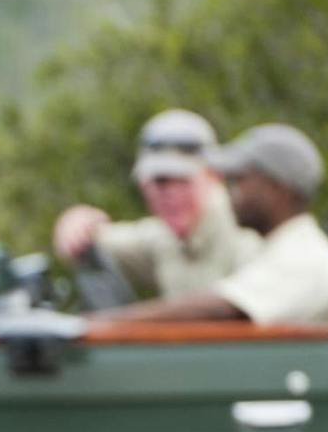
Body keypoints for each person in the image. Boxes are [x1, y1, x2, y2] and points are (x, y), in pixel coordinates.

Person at [90, 123, 328, 325]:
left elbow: (222, 308)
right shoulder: (274, 247)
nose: (229, 193)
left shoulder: (305, 256)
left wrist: (98, 326)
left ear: (278, 189)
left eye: (239, 180)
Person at [51, 109, 261, 301]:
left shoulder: (247, 233)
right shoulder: (163, 238)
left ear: (214, 176)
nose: (171, 194)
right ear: (143, 186)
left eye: (183, 180)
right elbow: (88, 240)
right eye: (159, 182)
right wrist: (76, 220)